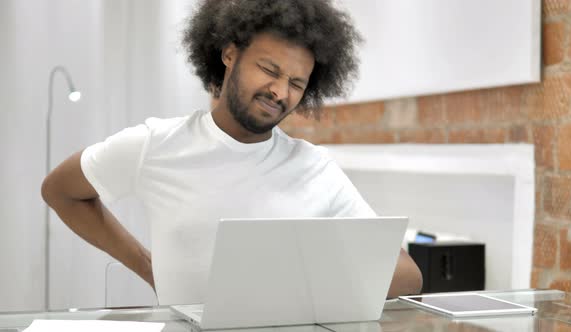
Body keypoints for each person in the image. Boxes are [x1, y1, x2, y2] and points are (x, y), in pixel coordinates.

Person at [41, 0, 422, 304]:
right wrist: (146, 266)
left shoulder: (314, 166)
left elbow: (408, 276)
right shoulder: (156, 144)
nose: (280, 91)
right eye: (269, 69)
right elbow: (60, 191)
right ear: (229, 54)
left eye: (296, 82)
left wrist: (302, 276)